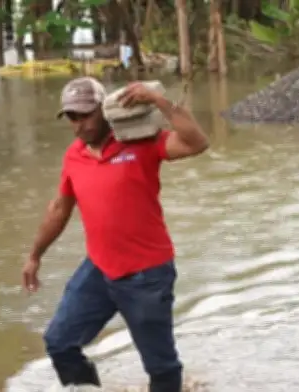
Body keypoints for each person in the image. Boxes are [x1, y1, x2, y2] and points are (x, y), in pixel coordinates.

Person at [22, 76, 209, 391]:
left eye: (85, 115)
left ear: (105, 109)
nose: (79, 124)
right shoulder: (74, 155)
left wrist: (158, 101)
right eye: (72, 117)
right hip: (98, 269)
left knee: (161, 368)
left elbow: (197, 142)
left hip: (146, 275)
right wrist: (34, 256)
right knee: (60, 342)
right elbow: (59, 209)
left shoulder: (141, 142)